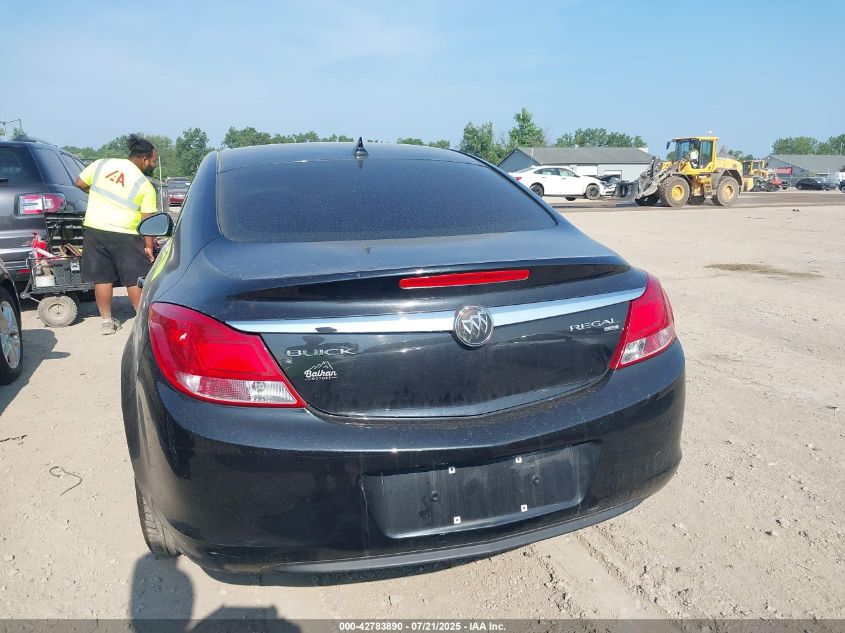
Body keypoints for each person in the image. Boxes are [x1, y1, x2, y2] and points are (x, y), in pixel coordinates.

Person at [75, 134, 158, 334]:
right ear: (144, 159)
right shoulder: (144, 185)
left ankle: (106, 321)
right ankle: (142, 321)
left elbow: (79, 183)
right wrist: (149, 246)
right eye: (153, 161)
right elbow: (147, 220)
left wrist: (97, 195)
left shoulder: (101, 164)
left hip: (95, 229)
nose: (154, 165)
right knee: (134, 278)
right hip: (126, 234)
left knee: (103, 278)